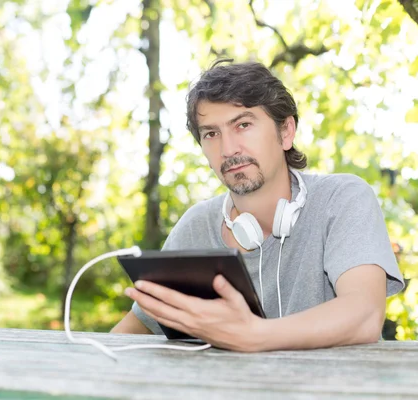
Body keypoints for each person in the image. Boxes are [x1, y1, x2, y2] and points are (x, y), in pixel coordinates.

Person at [110, 59, 404, 352]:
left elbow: (364, 315)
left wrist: (254, 335)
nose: (228, 149)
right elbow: (134, 330)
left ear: (286, 132)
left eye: (243, 125)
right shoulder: (195, 226)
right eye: (211, 134)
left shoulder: (342, 199)